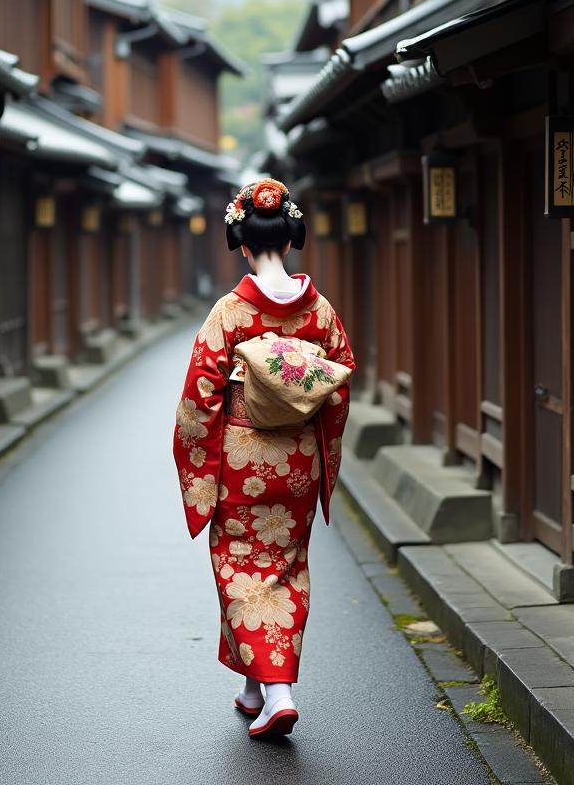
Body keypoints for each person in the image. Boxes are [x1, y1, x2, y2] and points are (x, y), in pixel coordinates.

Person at [172, 178, 355, 739]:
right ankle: (254, 686)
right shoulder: (319, 312)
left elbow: (199, 396)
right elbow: (340, 384)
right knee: (283, 567)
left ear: (243, 245)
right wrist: (320, 448)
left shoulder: (230, 312)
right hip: (297, 459)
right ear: (291, 239)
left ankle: (279, 693)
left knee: (240, 569)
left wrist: (198, 466)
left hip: (242, 462)